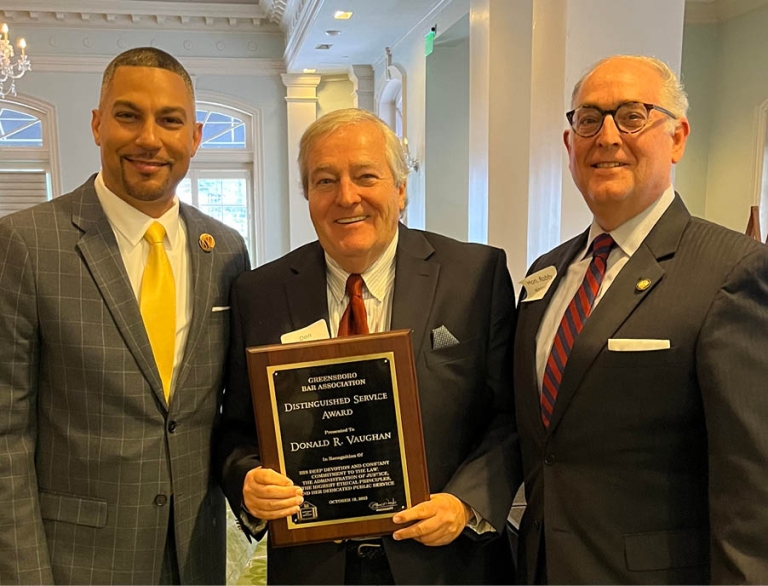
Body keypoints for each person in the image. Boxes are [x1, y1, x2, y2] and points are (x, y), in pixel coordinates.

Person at [215, 108, 521, 584]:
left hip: (444, 565)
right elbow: (235, 429)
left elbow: (511, 418)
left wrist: (465, 504)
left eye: (366, 176)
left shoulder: (475, 277)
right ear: (307, 195)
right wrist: (248, 482)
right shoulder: (260, 293)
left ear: (400, 190)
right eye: (324, 181)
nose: (346, 197)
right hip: (312, 568)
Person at [514, 54, 768, 584]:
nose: (607, 136)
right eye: (589, 119)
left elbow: (752, 488)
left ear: (676, 139)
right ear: (569, 145)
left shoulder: (732, 272)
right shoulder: (545, 275)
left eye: (632, 115)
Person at [0, 47, 250, 584]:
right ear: (96, 124)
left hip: (195, 553)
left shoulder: (227, 250)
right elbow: (7, 435)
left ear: (195, 137)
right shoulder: (27, 243)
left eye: (170, 120)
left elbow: (231, 408)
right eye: (128, 115)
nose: (149, 139)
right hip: (77, 562)